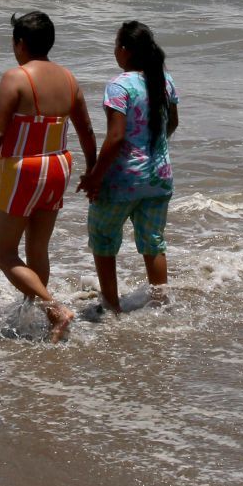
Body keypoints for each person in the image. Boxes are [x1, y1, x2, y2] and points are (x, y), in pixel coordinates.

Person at [0, 11, 99, 341]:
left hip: (24, 169)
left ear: (20, 44)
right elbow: (86, 130)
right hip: (59, 166)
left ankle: (54, 310)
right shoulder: (68, 79)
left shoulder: (16, 78)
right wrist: (92, 170)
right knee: (38, 249)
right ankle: (33, 312)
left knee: (3, 254)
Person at [79, 21, 178, 315]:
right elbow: (172, 123)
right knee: (153, 243)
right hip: (159, 175)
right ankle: (161, 304)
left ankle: (112, 305)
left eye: (116, 45)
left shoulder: (119, 85)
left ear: (124, 50)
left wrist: (95, 176)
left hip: (123, 179)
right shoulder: (164, 80)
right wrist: (153, 147)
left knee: (105, 239)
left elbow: (115, 137)